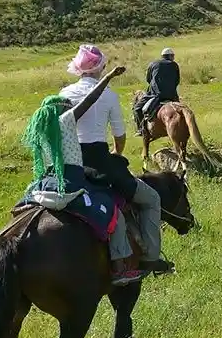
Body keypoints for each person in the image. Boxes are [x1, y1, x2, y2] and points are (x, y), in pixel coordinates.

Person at [58, 44, 175, 280]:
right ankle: (151, 257)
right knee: (151, 198)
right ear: (101, 68)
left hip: (69, 162)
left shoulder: (64, 93)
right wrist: (116, 152)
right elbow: (119, 136)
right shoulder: (109, 95)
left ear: (78, 68)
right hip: (99, 161)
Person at [134, 47, 181, 136]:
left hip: (155, 95)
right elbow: (177, 81)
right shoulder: (175, 65)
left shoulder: (153, 64)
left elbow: (148, 79)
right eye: (173, 56)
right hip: (172, 96)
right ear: (170, 56)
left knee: (137, 109)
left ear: (162, 56)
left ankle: (141, 130)